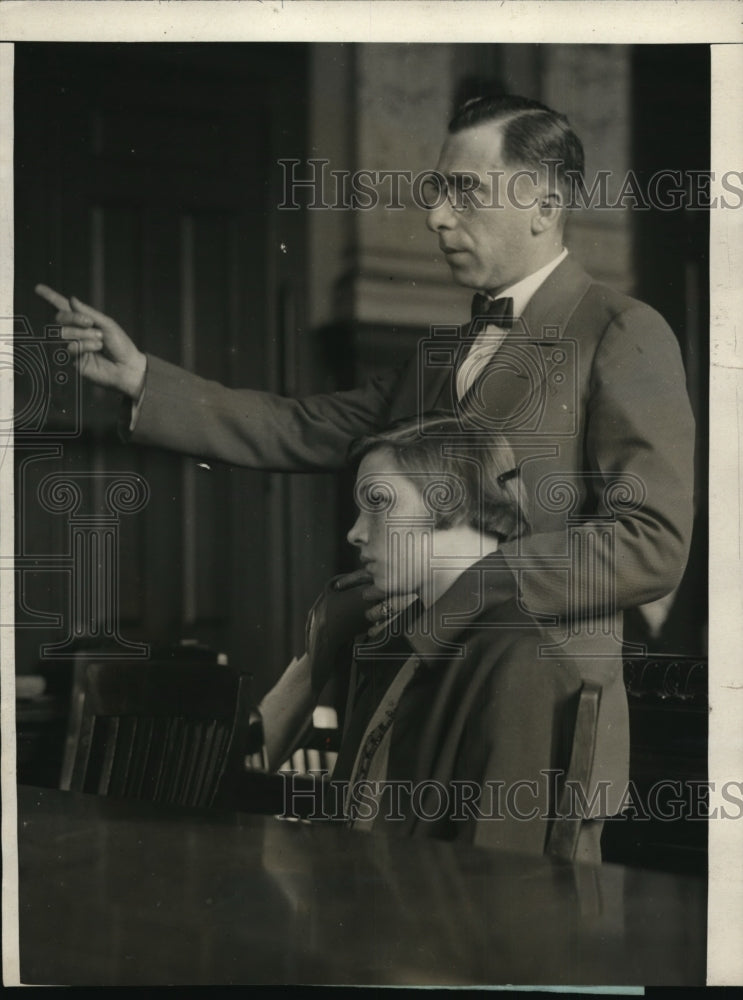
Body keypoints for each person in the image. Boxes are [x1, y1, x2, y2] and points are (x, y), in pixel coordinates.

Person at [35, 93, 696, 849]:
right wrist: (144, 378)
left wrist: (473, 570)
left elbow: (651, 541)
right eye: (434, 192)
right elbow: (305, 425)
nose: (436, 218)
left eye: (463, 193)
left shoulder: (622, 334)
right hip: (403, 714)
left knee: (502, 949)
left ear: (543, 203)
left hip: (526, 726)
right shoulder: (438, 356)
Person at [256, 414, 584, 858]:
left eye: (378, 503)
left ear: (452, 500)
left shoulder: (516, 660)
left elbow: (493, 886)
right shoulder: (397, 640)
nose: (354, 532)